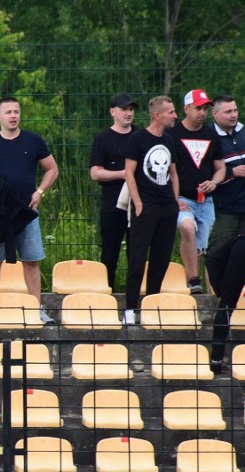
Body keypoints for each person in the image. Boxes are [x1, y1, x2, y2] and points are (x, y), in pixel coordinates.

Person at [0, 96, 59, 323]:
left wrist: (40, 192)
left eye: (16, 111)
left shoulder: (34, 141)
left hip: (27, 212)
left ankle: (36, 309)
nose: (13, 116)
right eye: (8, 112)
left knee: (31, 260)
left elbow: (52, 170)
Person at [123, 95, 181, 324]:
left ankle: (152, 302)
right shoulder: (137, 138)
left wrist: (175, 202)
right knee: (137, 257)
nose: (175, 116)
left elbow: (174, 173)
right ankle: (130, 308)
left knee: (161, 258)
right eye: (171, 112)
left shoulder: (168, 140)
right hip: (145, 207)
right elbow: (129, 173)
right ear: (158, 115)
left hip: (167, 207)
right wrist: (138, 203)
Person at [168, 89, 225, 294]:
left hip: (206, 201)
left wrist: (214, 182)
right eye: (197, 108)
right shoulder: (172, 134)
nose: (202, 112)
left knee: (203, 245)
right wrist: (173, 199)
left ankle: (207, 292)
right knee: (187, 227)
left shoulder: (211, 134)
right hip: (182, 198)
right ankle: (193, 281)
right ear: (186, 109)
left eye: (205, 108)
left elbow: (220, 167)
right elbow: (166, 171)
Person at [89, 93, 138, 291]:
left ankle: (134, 298)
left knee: (136, 254)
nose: (128, 113)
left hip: (138, 204)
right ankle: (107, 293)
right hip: (112, 205)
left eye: (131, 109)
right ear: (112, 112)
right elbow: (95, 173)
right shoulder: (102, 139)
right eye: (124, 109)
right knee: (110, 254)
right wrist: (123, 174)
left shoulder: (140, 136)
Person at [207, 94, 245, 263]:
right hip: (224, 208)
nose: (233, 115)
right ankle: (217, 289)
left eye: (235, 110)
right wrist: (232, 172)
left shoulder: (243, 131)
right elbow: (205, 171)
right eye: (228, 111)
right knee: (219, 251)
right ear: (214, 114)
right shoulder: (209, 136)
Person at [206, 221, 245, 372]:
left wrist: (222, 291)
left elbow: (212, 260)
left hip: (240, 247)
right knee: (226, 305)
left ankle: (216, 359)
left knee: (226, 305)